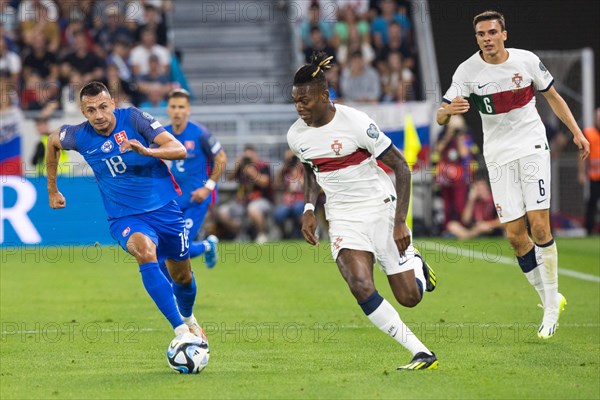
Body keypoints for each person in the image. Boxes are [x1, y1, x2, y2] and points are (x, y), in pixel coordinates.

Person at [436, 10, 590, 339]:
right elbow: (440, 115)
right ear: (476, 38)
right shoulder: (467, 71)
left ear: (504, 34)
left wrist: (576, 132)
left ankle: (550, 307)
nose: (487, 38)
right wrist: (448, 111)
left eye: (492, 32)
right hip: (497, 155)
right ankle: (550, 298)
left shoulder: (526, 61)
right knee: (516, 238)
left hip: (532, 146)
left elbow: (554, 97)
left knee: (539, 225)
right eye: (481, 34)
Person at [288, 52, 438, 370]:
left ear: (325, 96)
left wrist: (400, 223)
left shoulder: (355, 123)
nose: (300, 107)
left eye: (305, 100)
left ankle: (416, 265)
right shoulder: (296, 136)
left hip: (379, 208)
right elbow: (312, 172)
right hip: (343, 216)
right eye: (295, 101)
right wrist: (310, 208)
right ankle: (421, 352)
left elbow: (402, 168)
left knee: (410, 297)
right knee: (359, 284)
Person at [46, 81, 207, 341]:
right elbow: (52, 143)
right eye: (90, 110)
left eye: (103, 107)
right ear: (83, 112)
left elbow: (178, 149)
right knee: (145, 252)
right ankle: (180, 330)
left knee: (183, 277)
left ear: (112, 104)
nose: (98, 115)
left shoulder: (133, 118)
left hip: (164, 209)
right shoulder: (77, 135)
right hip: (124, 216)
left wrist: (147, 150)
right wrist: (52, 190)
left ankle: (189, 319)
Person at [165, 88, 225, 268]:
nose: (177, 111)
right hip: (172, 202)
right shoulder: (163, 135)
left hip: (195, 200)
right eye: (173, 107)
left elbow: (221, 158)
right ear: (168, 109)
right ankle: (208, 246)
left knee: (178, 248)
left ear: (188, 110)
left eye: (181, 107)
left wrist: (208, 187)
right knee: (167, 248)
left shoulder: (200, 134)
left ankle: (175, 293)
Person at [446, 176, 502, 240]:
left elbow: (502, 221)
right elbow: (465, 220)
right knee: (452, 225)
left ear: (487, 187)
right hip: (475, 229)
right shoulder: (474, 201)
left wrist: (489, 224)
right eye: (476, 186)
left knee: (484, 227)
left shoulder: (495, 200)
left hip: (489, 228)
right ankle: (469, 235)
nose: (478, 188)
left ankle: (467, 236)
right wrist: (471, 200)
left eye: (481, 186)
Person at [579, 107, 600, 235]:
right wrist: (581, 172)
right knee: (592, 202)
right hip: (594, 175)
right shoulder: (589, 133)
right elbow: (582, 154)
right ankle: (589, 229)